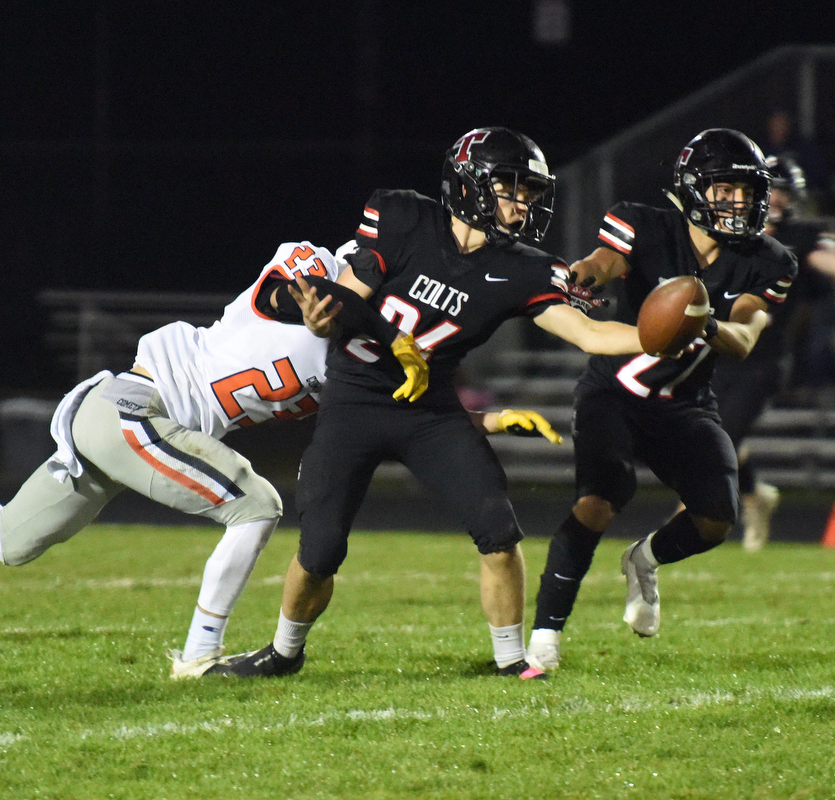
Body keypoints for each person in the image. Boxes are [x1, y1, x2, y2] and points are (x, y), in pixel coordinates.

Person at [0, 240, 438, 679]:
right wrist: (359, 316)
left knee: (11, 541)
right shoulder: (316, 271)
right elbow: (298, 280)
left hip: (125, 422)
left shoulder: (368, 355)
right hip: (134, 408)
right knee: (256, 506)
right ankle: (200, 659)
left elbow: (401, 405)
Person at [198, 126, 644, 680]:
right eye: (510, 187)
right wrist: (340, 320)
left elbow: (590, 334)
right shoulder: (402, 216)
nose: (522, 203)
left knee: (498, 531)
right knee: (321, 549)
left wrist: (664, 336)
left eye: (529, 191)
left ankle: (511, 662)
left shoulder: (525, 268)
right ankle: (284, 652)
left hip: (430, 412)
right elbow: (346, 298)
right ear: (469, 184)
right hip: (356, 400)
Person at [525, 129, 798, 674]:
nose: (739, 203)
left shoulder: (767, 260)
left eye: (747, 191)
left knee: (717, 516)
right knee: (600, 498)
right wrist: (580, 277)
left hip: (684, 402)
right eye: (726, 190)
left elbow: (743, 338)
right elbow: (604, 262)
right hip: (615, 390)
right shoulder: (645, 224)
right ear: (694, 190)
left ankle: (643, 560)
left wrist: (699, 319)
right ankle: (543, 639)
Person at [710, 154, 835, 551]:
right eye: (769, 189)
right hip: (721, 349)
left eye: (783, 192)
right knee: (706, 432)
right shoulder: (727, 232)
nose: (775, 199)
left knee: (719, 437)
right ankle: (755, 495)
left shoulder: (800, 235)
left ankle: (694, 510)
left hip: (766, 357)